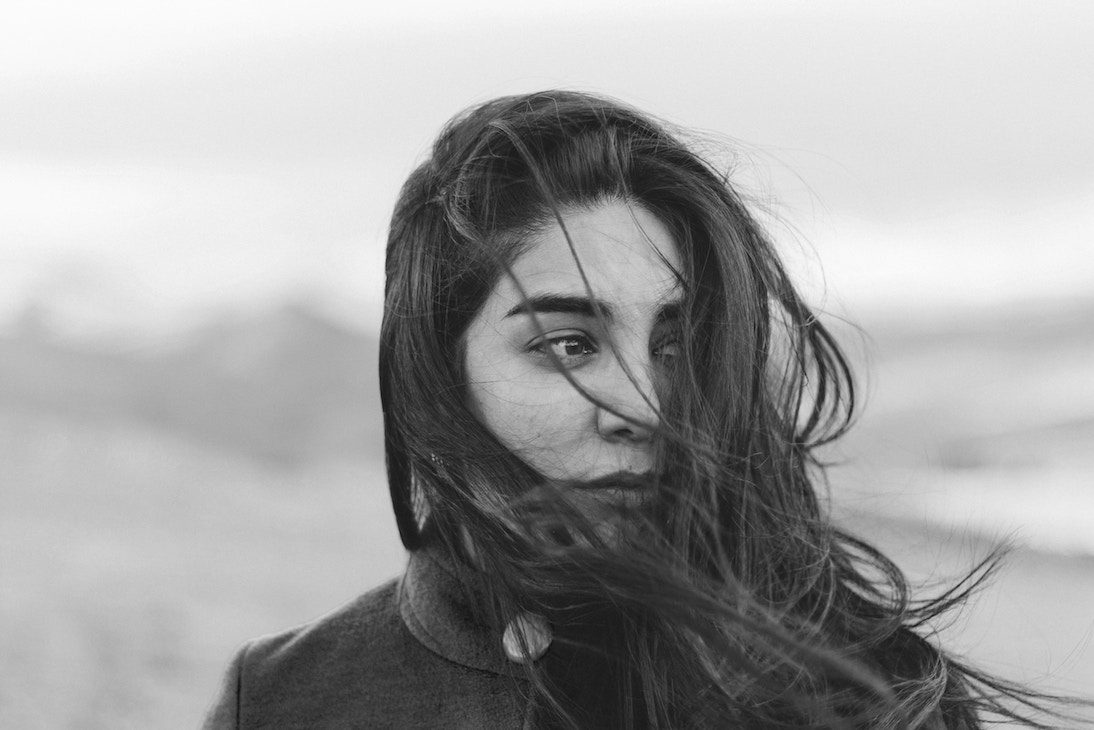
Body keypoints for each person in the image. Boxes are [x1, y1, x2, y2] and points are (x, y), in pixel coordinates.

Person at [203, 90, 1077, 729]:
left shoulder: (873, 689)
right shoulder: (288, 698)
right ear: (441, 371)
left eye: (675, 344)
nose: (644, 407)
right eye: (567, 344)